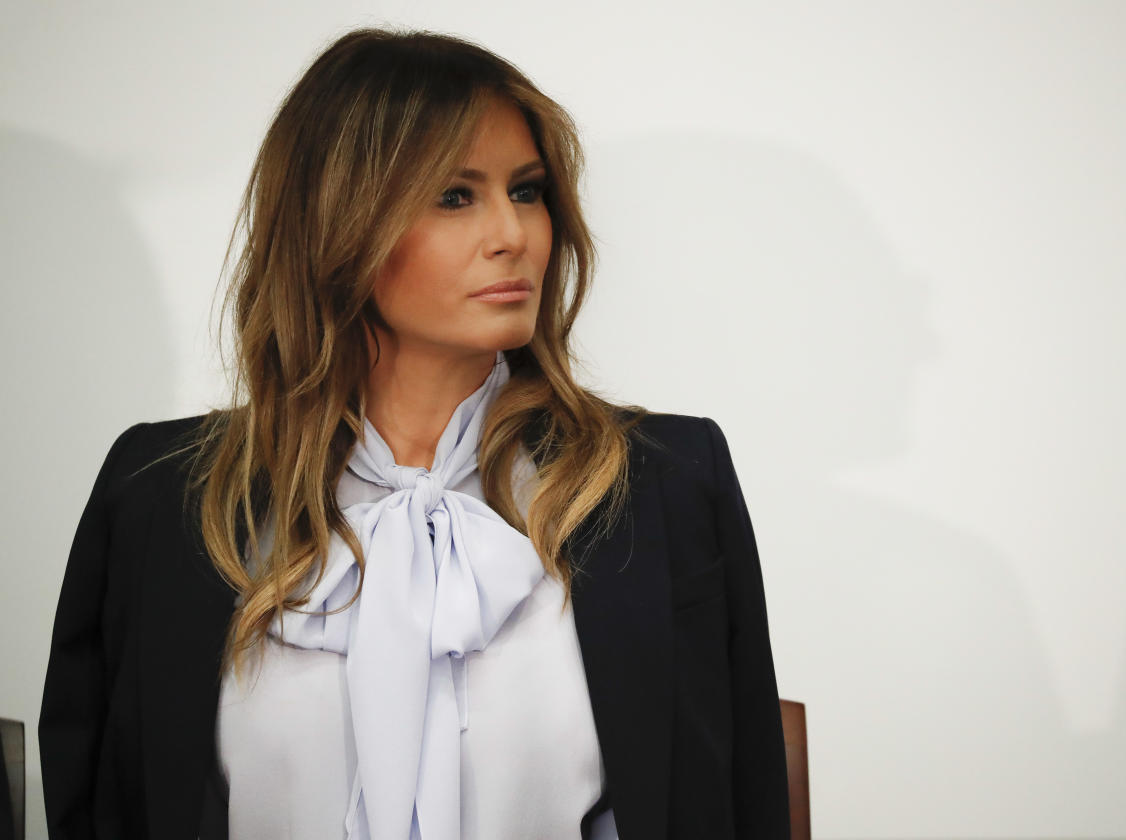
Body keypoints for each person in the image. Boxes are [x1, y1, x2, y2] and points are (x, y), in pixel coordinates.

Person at [38, 26, 790, 840]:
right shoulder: (159, 495)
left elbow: (735, 796)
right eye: (455, 195)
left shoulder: (666, 485)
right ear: (339, 221)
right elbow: (104, 799)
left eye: (528, 190)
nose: (514, 234)